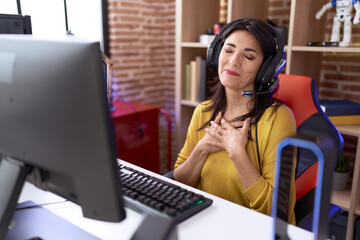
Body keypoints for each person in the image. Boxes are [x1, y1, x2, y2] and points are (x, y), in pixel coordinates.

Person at [173, 18, 296, 224]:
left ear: (267, 69)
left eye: (248, 56)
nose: (233, 61)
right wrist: (201, 150)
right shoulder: (203, 112)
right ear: (215, 54)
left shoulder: (278, 119)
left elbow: (277, 211)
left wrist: (237, 152)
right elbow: (180, 183)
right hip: (208, 224)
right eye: (228, 51)